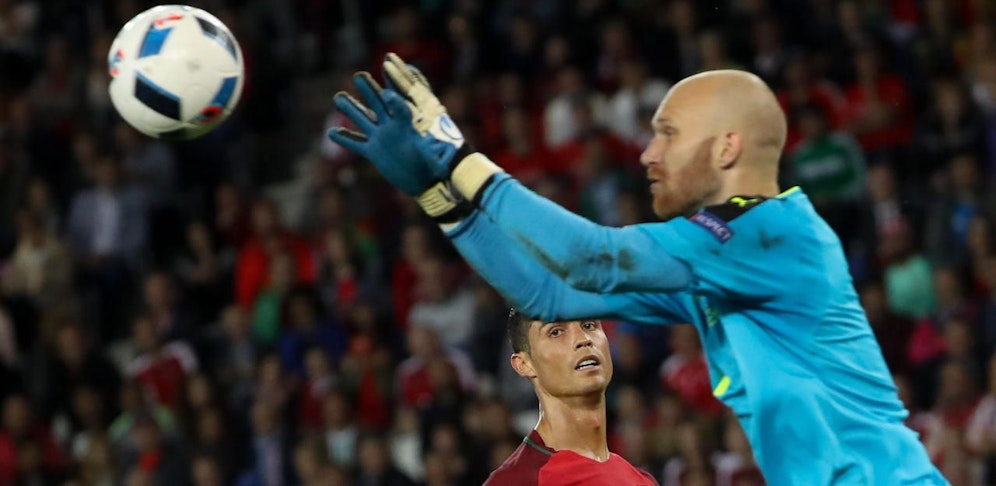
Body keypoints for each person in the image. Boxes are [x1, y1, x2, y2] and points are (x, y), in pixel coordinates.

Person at [327, 54, 948, 484]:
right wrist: (439, 196)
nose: (649, 154)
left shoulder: (774, 235)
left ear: (726, 147)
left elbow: (590, 258)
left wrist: (461, 157)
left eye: (668, 134)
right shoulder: (717, 268)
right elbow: (550, 293)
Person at [483, 310, 657, 485]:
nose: (583, 339)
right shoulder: (514, 481)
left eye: (589, 325)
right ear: (524, 364)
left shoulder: (642, 481)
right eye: (556, 332)